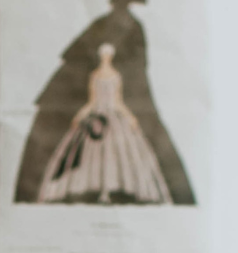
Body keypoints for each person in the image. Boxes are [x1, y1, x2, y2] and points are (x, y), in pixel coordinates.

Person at [38, 43, 172, 206]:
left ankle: (107, 192)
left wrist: (129, 117)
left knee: (113, 154)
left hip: (113, 118)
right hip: (97, 119)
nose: (105, 57)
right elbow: (92, 101)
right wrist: (80, 115)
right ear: (101, 56)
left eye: (107, 55)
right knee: (92, 154)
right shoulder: (95, 75)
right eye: (103, 55)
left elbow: (118, 101)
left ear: (111, 56)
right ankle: (102, 192)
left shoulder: (116, 76)